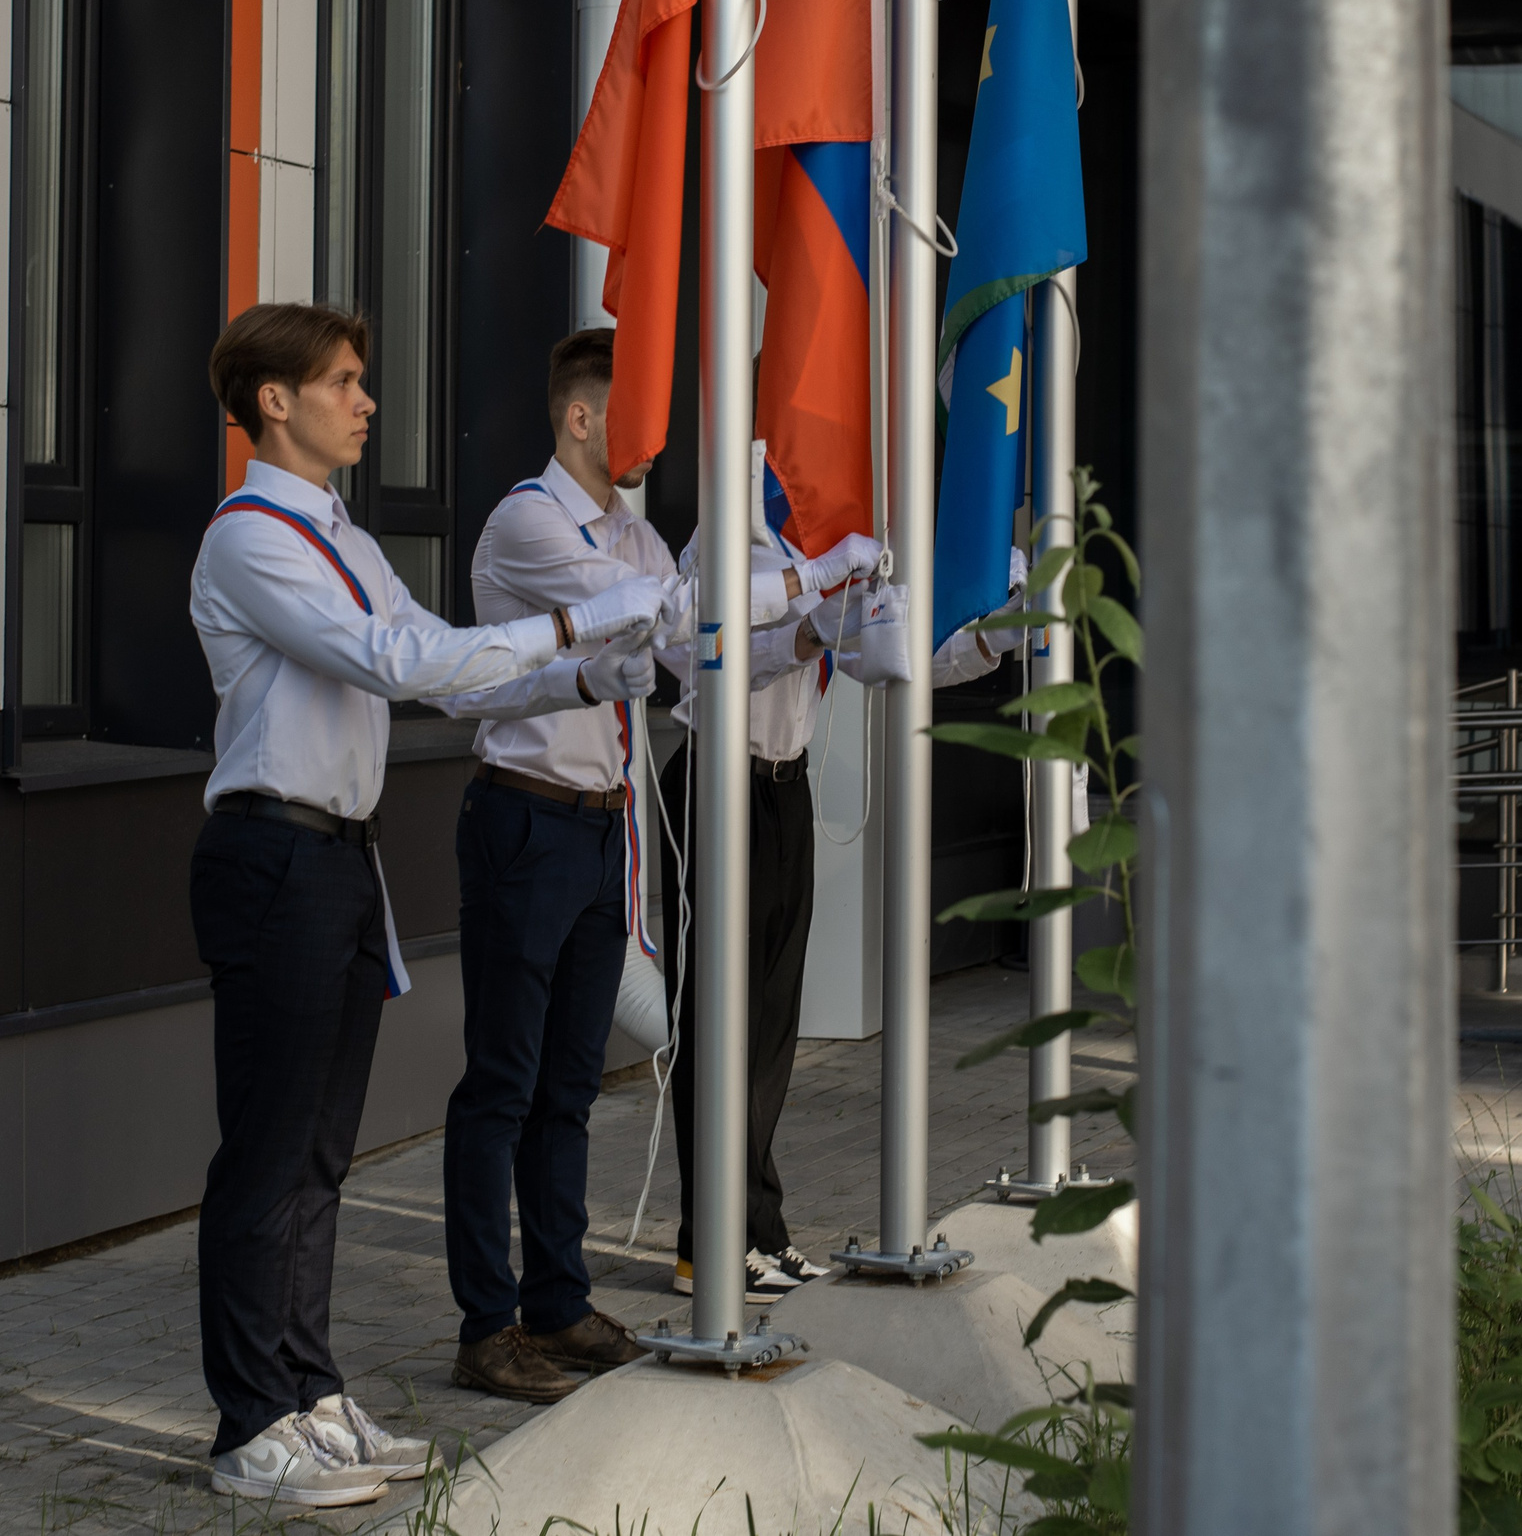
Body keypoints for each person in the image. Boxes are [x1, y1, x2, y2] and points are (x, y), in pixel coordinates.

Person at [187, 303, 661, 1506]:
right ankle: (251, 1423)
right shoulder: (250, 536)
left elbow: (442, 652)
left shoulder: (339, 530)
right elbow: (395, 664)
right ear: (275, 402)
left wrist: (575, 672)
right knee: (269, 1150)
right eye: (345, 381)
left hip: (339, 857)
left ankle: (306, 1386)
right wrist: (586, 619)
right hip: (273, 856)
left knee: (322, 1154)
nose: (368, 400)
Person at [433, 330, 874, 1394]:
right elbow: (666, 614)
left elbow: (691, 655)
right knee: (503, 1080)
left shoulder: (632, 536)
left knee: (571, 1083)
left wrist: (806, 633)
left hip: (601, 822)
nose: (651, 436)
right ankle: (488, 1322)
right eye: (630, 413)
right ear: (580, 418)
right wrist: (808, 577)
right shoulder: (530, 521)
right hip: (526, 817)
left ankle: (559, 1298)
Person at [655, 499, 1026, 1302]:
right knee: (721, 1021)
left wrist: (995, 633)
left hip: (784, 788)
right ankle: (704, 1242)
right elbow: (700, 652)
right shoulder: (734, 534)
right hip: (718, 776)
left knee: (773, 1025)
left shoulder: (833, 540)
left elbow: (891, 651)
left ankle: (759, 1227)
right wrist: (810, 621)